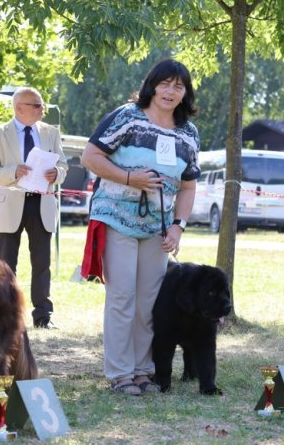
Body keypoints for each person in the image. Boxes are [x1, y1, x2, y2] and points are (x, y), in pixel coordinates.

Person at [80, 59, 200, 396]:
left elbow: (188, 186)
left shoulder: (188, 133)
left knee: (149, 302)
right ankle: (120, 374)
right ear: (152, 85)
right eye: (165, 83)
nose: (170, 91)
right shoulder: (127, 117)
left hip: (158, 229)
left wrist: (178, 226)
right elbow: (90, 157)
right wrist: (130, 178)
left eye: (179, 86)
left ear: (185, 93)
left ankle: (144, 370)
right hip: (117, 217)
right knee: (122, 297)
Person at [0, 87, 68, 329]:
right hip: (10, 203)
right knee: (6, 264)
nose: (43, 109)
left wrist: (57, 173)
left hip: (42, 203)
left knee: (42, 263)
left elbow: (63, 165)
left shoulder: (51, 133)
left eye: (42, 105)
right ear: (19, 107)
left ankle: (43, 316)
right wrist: (13, 172)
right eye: (37, 105)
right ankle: (5, 316)